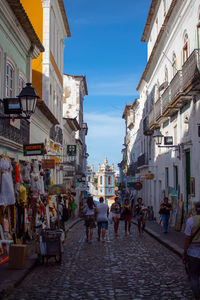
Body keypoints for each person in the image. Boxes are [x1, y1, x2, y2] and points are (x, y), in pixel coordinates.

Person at [183, 202, 200, 300]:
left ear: (195, 210)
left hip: (193, 252)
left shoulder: (190, 221)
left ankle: (197, 296)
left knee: (193, 276)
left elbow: (187, 239)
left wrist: (184, 252)